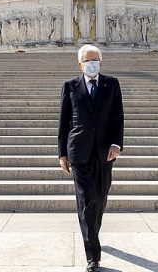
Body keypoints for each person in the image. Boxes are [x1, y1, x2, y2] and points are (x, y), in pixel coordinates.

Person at [58, 44, 124, 272]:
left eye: (95, 60)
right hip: (80, 152)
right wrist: (62, 153)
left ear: (101, 62)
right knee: (86, 202)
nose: (92, 63)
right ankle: (93, 256)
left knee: (100, 196)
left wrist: (117, 144)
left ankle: (92, 235)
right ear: (80, 64)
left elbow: (118, 116)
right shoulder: (70, 86)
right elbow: (63, 122)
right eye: (88, 60)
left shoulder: (112, 84)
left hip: (105, 152)